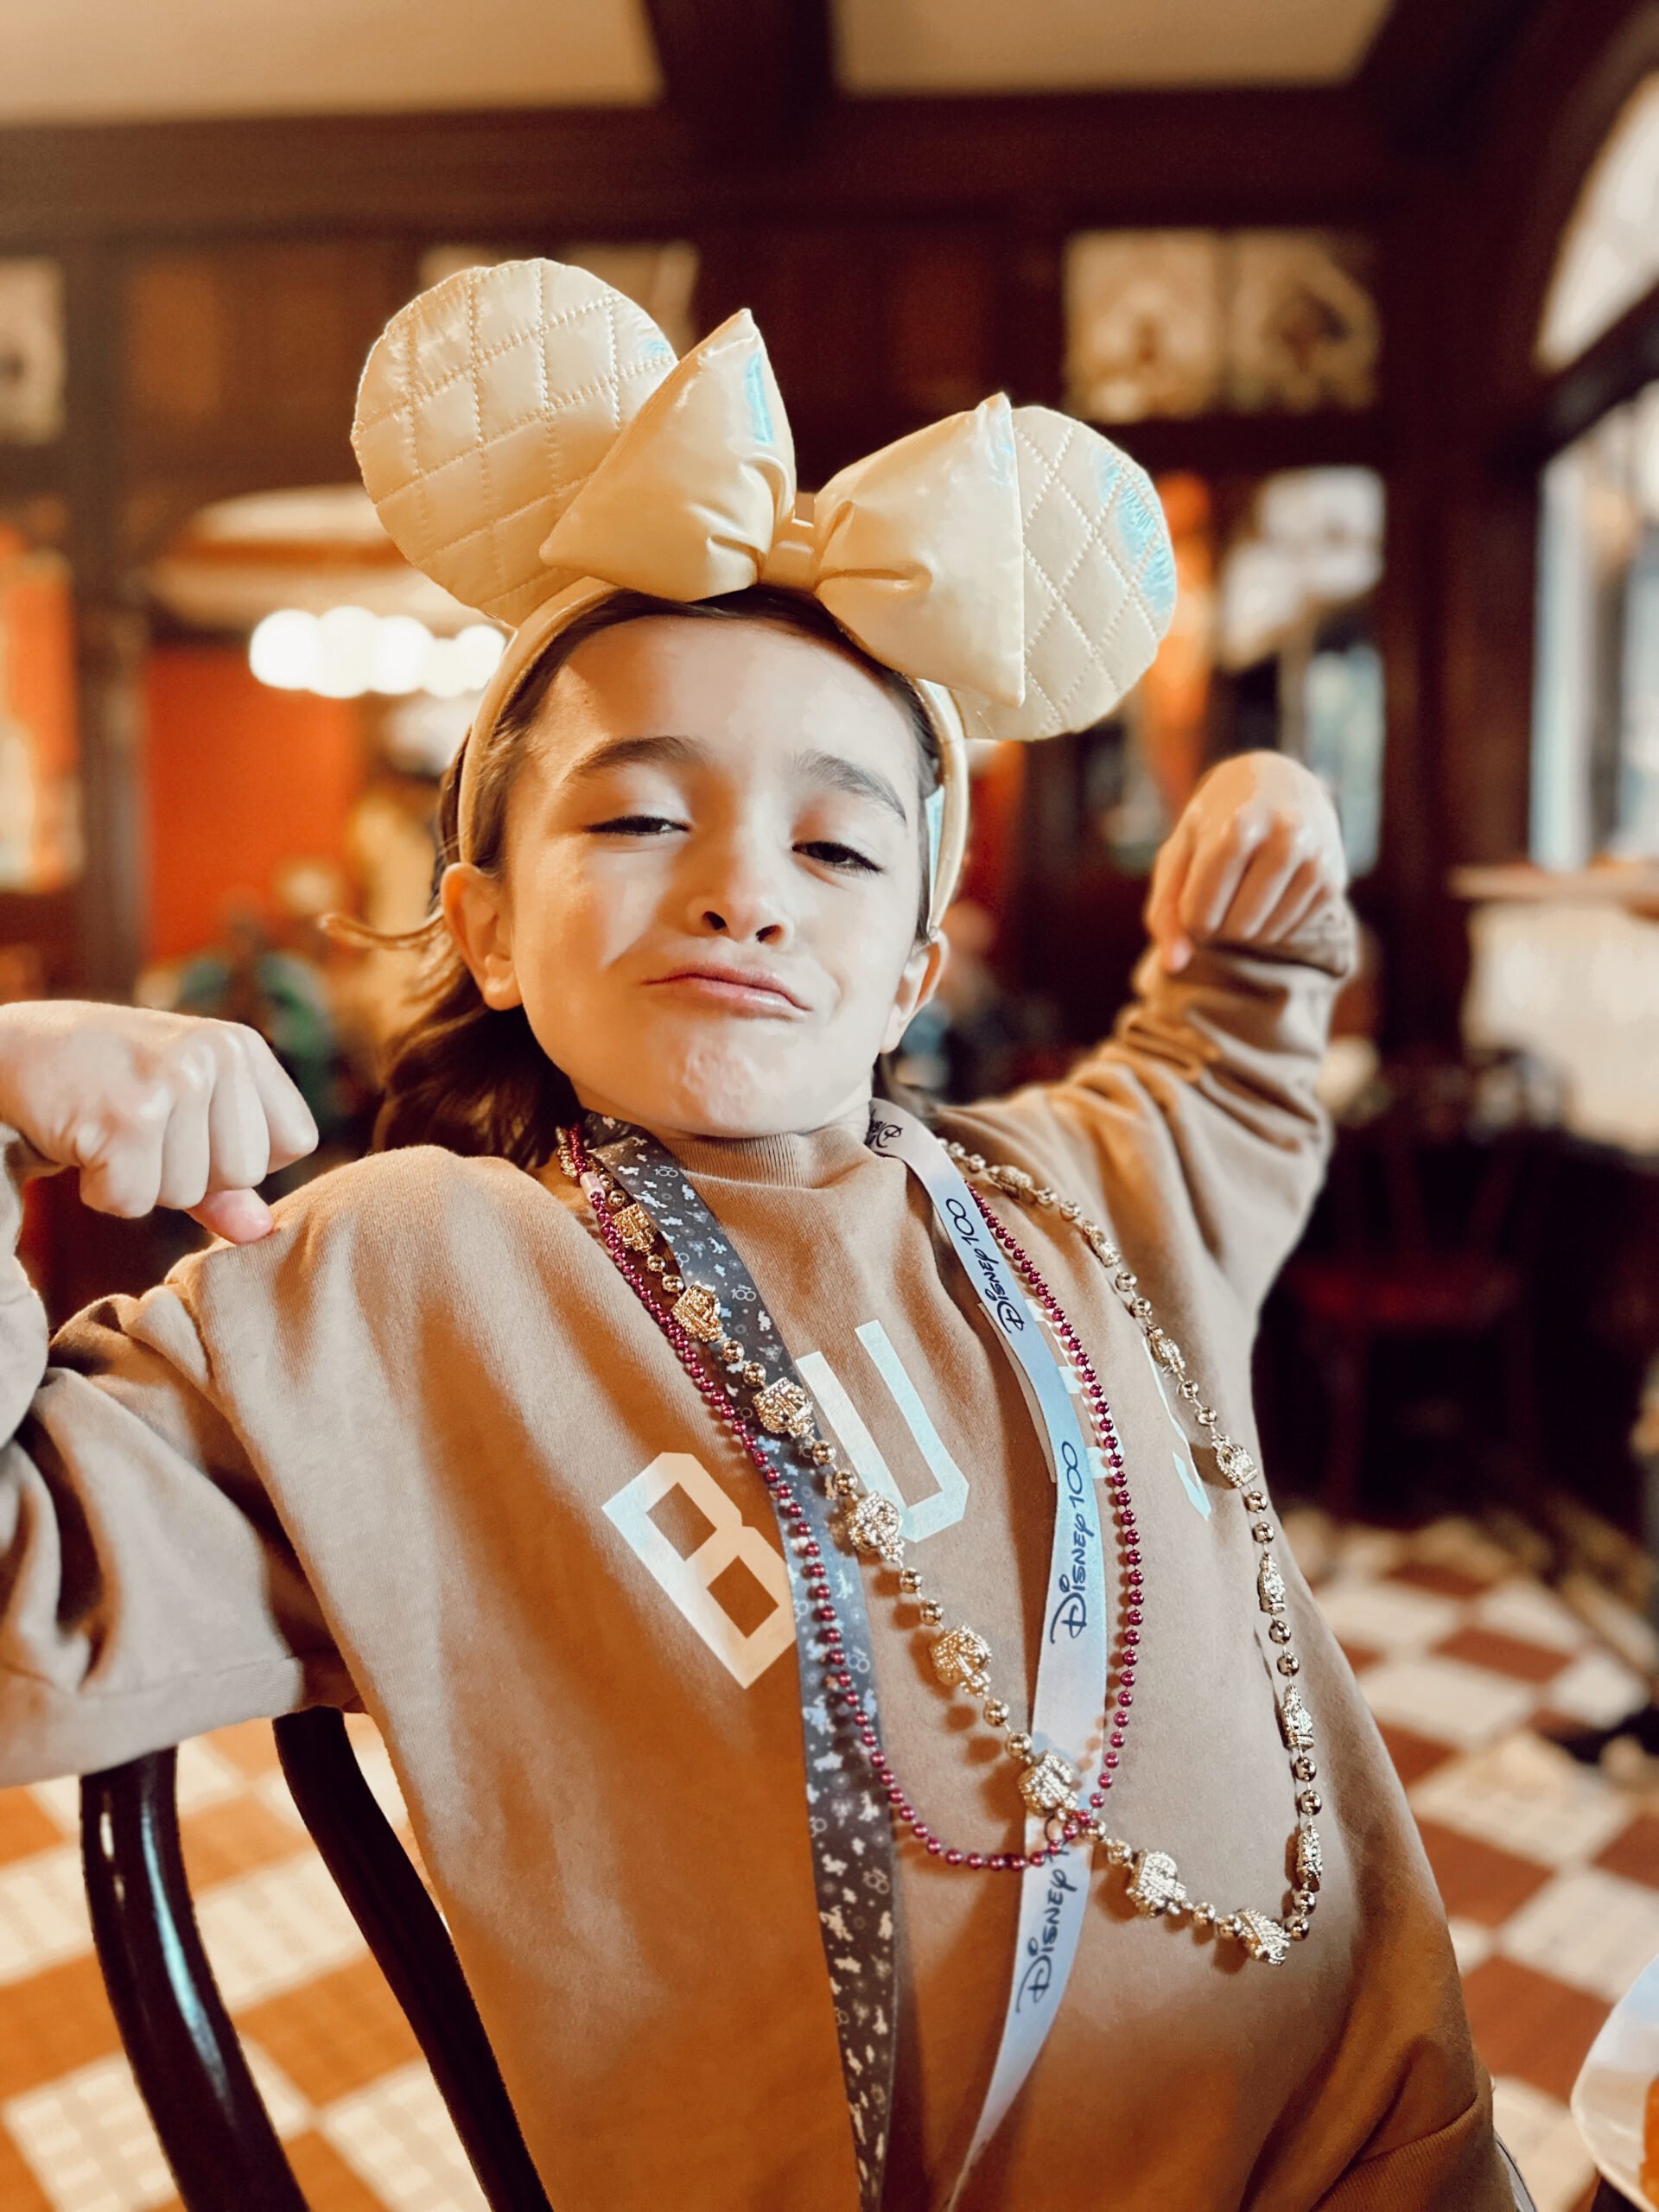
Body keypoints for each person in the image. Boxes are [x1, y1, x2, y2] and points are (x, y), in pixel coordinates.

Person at [0, 262, 1522, 2211]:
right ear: (481, 916)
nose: (740, 890)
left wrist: (1263, 910)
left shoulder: (1066, 1190)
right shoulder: (393, 1296)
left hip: (1399, 2145)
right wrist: (15, 1076)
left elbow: (1221, 1083)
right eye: (639, 822)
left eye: (835, 843)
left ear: (912, 960)